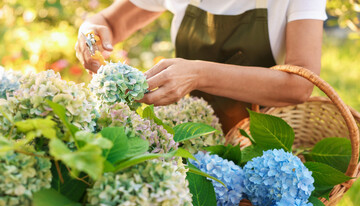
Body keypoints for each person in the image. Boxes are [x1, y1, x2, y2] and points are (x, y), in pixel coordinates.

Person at [75, 0, 326, 135]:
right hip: (185, 133)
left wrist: (198, 74)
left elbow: (301, 83)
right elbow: (107, 21)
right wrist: (89, 33)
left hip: (258, 141)